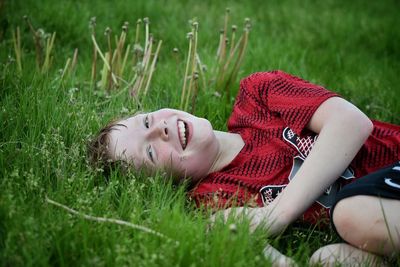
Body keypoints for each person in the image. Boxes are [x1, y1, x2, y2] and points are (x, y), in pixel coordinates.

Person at [88, 70, 400, 266]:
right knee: (327, 258)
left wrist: (275, 213)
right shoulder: (214, 200)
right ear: (164, 183)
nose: (160, 129)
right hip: (380, 207)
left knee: (350, 216)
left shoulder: (256, 97)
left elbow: (351, 121)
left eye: (147, 121)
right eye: (152, 152)